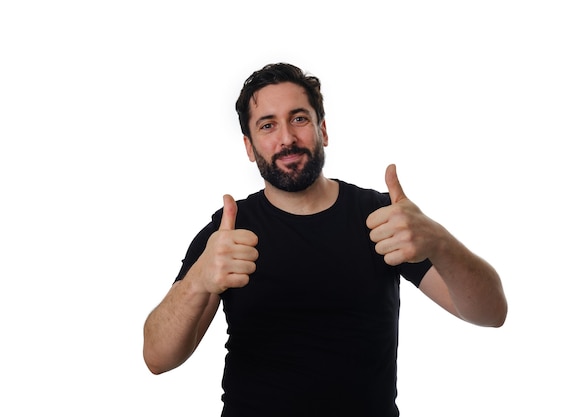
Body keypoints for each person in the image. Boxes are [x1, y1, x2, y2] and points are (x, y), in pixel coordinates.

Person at [143, 63, 507, 416]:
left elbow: (491, 313)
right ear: (250, 147)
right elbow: (157, 358)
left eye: (299, 118)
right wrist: (197, 282)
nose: (286, 137)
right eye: (268, 125)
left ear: (323, 130)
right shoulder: (226, 232)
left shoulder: (381, 217)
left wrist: (440, 243)